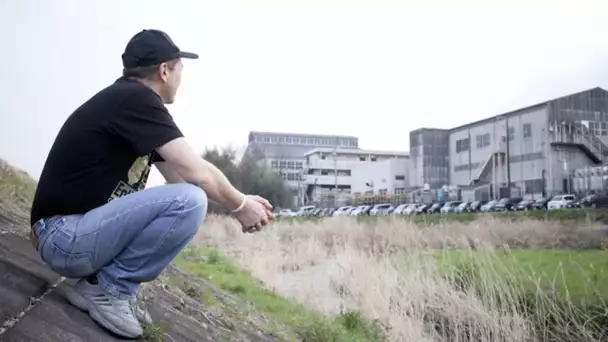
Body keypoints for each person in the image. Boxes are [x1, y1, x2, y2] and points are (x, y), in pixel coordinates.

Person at [29, 29, 274, 339]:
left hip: (71, 236)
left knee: (190, 198)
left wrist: (240, 201)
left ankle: (106, 289)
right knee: (189, 200)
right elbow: (196, 172)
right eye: (180, 68)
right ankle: (109, 290)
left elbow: (184, 181)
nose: (181, 78)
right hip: (64, 236)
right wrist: (240, 206)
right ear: (164, 69)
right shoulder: (136, 100)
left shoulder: (129, 105)